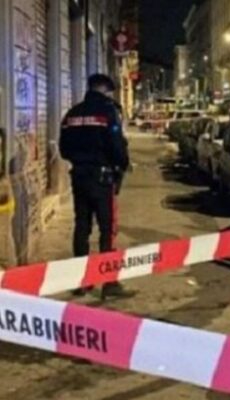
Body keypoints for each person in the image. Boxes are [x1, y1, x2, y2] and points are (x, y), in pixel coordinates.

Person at [59, 74, 132, 299]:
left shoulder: (72, 113)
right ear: (105, 90)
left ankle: (81, 281)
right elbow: (117, 145)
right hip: (102, 178)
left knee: (82, 226)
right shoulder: (108, 112)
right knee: (107, 229)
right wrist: (123, 164)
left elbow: (64, 149)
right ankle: (109, 283)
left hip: (79, 177)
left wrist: (81, 160)